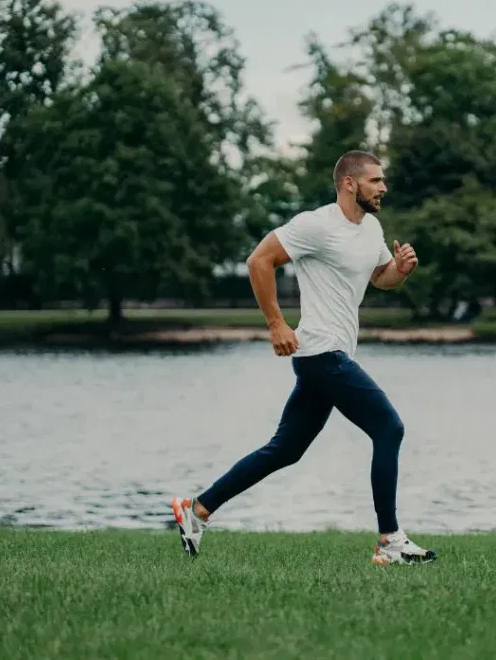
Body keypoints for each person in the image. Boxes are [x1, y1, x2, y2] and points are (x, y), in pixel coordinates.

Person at [171, 150, 437, 565]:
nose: (383, 187)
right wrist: (277, 324)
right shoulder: (316, 225)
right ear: (350, 183)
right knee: (389, 428)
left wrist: (400, 271)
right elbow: (259, 260)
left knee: (285, 449)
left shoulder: (371, 229)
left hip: (327, 356)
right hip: (321, 352)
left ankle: (198, 510)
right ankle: (390, 541)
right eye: (375, 180)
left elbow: (379, 278)